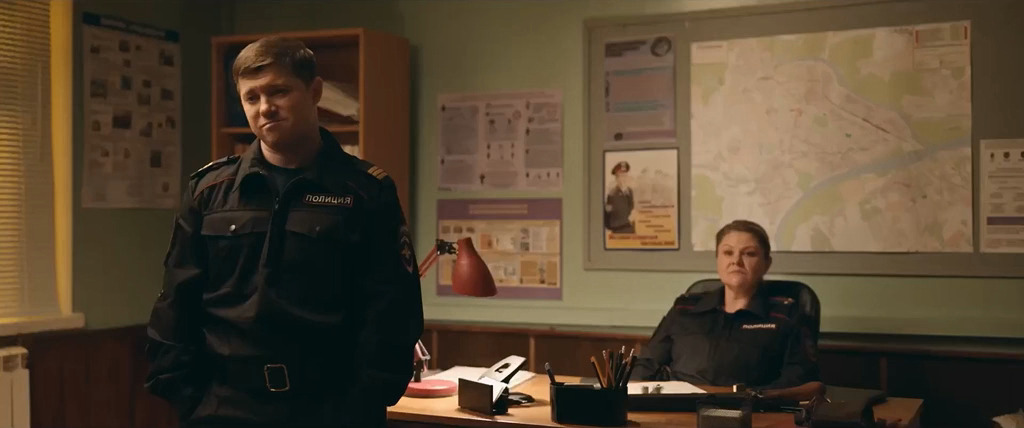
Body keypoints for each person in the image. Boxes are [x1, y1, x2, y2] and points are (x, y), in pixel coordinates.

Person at [144, 36, 424, 428]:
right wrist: (188, 398)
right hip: (222, 407)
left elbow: (393, 312)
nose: (265, 108)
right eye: (251, 97)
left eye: (278, 91)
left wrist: (362, 402)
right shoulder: (210, 191)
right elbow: (176, 301)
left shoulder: (365, 192)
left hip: (330, 409)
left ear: (315, 92)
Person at [630, 220, 820, 396]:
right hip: (677, 408)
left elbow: (799, 379)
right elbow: (647, 364)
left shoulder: (785, 315)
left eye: (749, 253)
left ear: (766, 263)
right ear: (718, 260)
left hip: (748, 409)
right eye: (728, 253)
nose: (736, 261)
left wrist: (752, 398)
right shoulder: (685, 308)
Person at [604, 161, 636, 234]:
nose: (623, 179)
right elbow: (610, 219)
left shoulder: (630, 191)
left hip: (631, 229)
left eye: (625, 176)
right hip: (619, 231)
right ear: (616, 179)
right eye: (621, 176)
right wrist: (628, 220)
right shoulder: (612, 194)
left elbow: (631, 208)